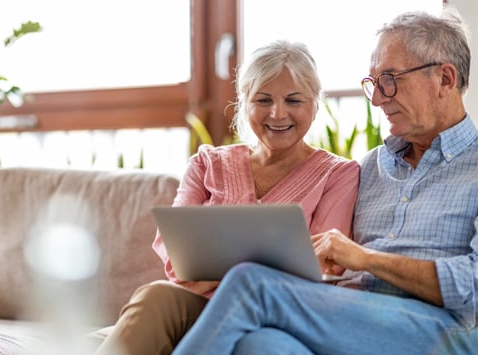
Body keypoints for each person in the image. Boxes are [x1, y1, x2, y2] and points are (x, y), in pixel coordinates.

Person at [172, 7, 478, 355]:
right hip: (351, 318)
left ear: (446, 79)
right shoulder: (371, 167)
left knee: (251, 283)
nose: (377, 99)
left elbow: (474, 284)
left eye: (390, 79)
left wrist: (365, 259)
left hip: (441, 328)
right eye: (374, 84)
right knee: (259, 345)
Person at [94, 40, 360, 355]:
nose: (277, 113)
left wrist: (219, 273)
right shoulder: (207, 163)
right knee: (157, 296)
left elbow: (324, 266)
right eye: (263, 100)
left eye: (293, 100)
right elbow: (178, 255)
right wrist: (253, 266)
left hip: (274, 316)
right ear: (244, 103)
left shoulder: (338, 174)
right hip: (198, 305)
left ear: (315, 104)